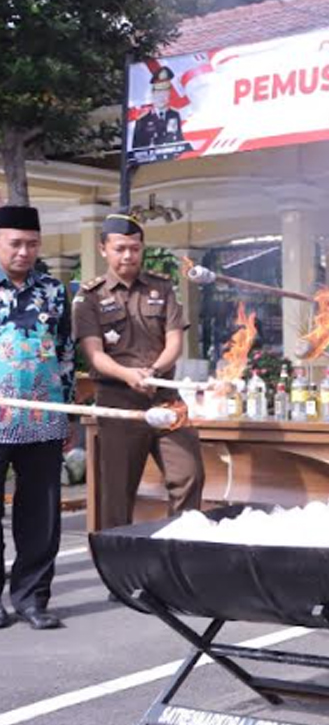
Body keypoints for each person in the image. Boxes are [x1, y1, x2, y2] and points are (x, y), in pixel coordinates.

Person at [74, 213, 205, 533]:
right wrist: (128, 374)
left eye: (134, 248)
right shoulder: (89, 297)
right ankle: (118, 566)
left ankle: (179, 545)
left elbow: (175, 341)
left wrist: (155, 371)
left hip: (164, 396)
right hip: (118, 402)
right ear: (103, 249)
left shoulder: (162, 288)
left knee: (189, 474)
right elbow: (94, 353)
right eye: (120, 248)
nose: (128, 255)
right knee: (117, 491)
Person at [0, 206, 72, 630]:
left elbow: (65, 352)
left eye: (31, 244)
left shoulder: (53, 290)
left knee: (41, 515)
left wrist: (67, 416)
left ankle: (32, 598)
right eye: (15, 243)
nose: (24, 252)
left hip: (44, 417)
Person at [131, 68, 185, 149]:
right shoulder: (143, 119)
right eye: (159, 92)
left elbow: (180, 142)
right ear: (152, 94)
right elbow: (136, 149)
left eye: (165, 92)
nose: (162, 97)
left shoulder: (175, 115)